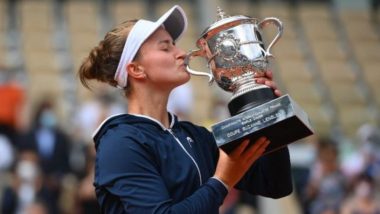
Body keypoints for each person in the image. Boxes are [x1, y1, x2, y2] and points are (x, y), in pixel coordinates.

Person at [78, 5, 292, 213]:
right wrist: (222, 181)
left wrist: (265, 110)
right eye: (165, 47)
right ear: (136, 69)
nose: (181, 53)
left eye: (175, 44)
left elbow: (275, 184)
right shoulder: (120, 143)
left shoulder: (195, 136)